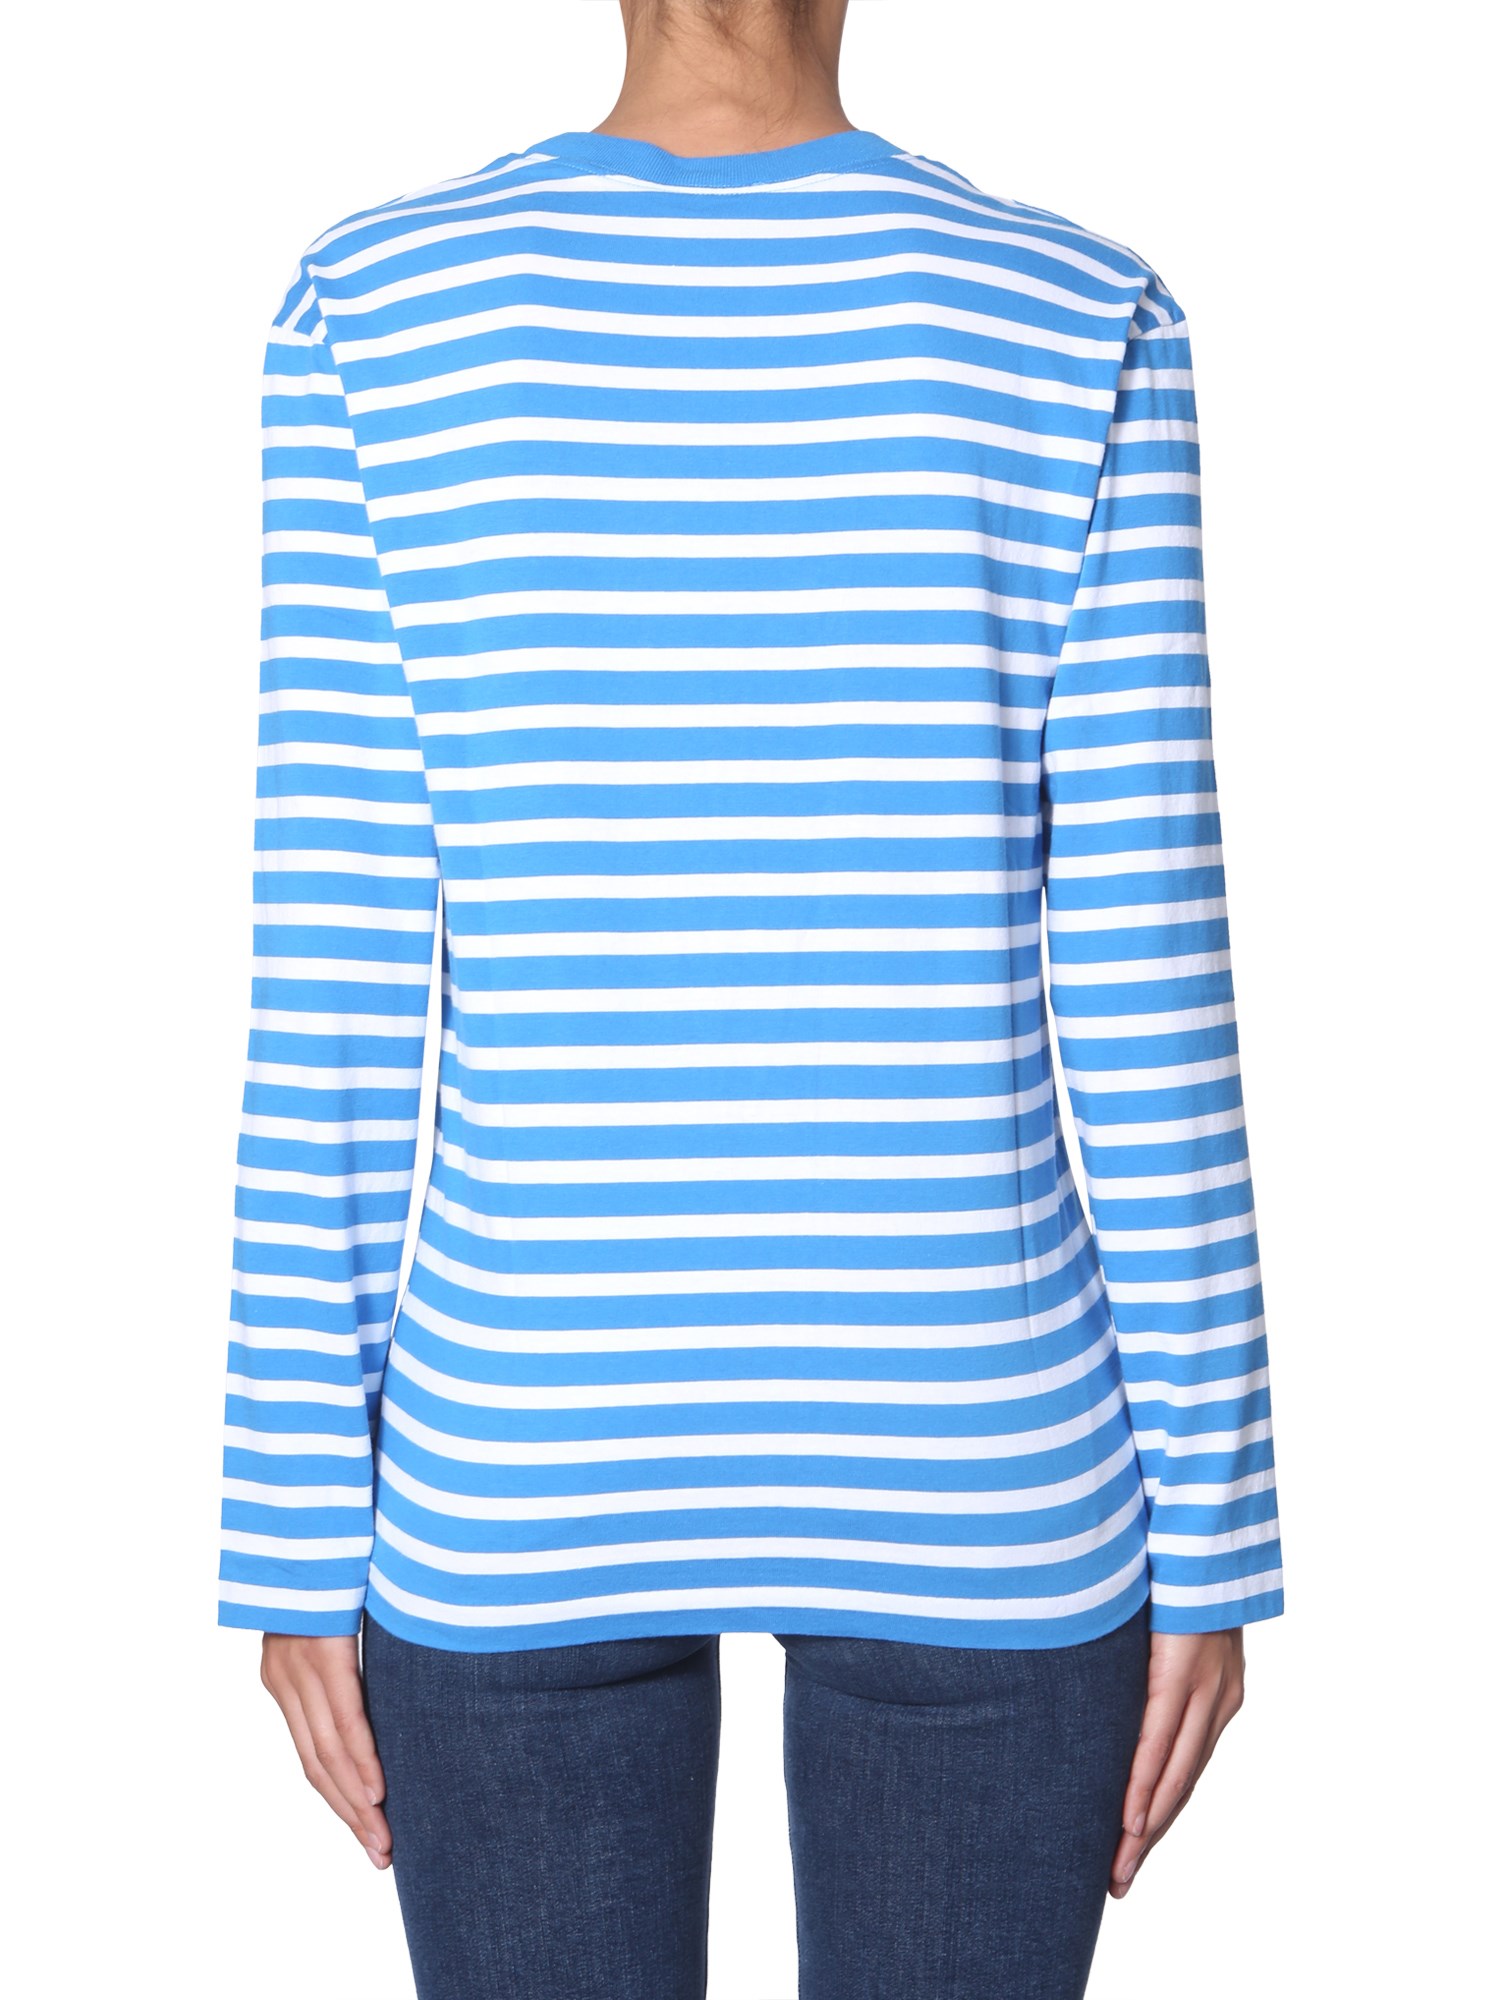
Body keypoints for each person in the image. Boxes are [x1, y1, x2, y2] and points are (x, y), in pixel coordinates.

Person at [217, 2, 1283, 1993]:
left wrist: (292, 1516)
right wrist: (1215, 1533)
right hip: (986, 1458)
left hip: (520, 1447)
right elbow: (1147, 964)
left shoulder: (376, 313)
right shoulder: (1080, 316)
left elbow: (337, 952)